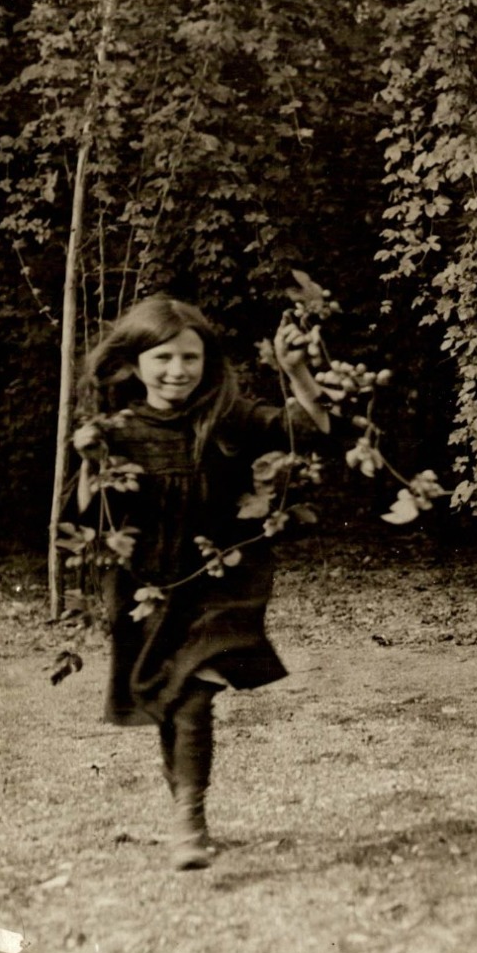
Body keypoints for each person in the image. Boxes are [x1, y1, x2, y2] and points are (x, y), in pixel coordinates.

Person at [72, 297, 331, 869]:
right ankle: (186, 814)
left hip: (220, 582)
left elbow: (309, 430)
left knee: (194, 693)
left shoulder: (230, 420)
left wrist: (296, 372)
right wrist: (92, 462)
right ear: (135, 362)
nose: (178, 370)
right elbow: (90, 518)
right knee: (172, 699)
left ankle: (189, 822)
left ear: (207, 361)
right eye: (163, 357)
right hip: (148, 588)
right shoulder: (114, 431)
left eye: (191, 356)